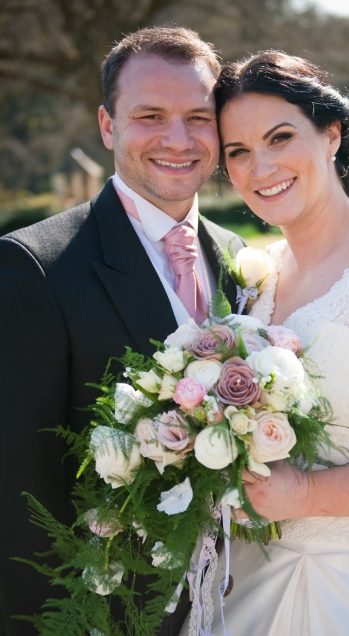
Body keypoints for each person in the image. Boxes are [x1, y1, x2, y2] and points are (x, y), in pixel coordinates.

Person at [0, 28, 246, 636]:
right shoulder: (36, 266)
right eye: (150, 116)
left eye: (198, 117)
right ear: (109, 127)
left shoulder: (240, 259)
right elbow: (17, 496)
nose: (178, 139)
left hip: (241, 604)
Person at [184, 51, 349, 635]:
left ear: (331, 133)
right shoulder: (258, 278)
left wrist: (307, 493)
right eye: (238, 152)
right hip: (251, 578)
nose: (260, 168)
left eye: (280, 137)